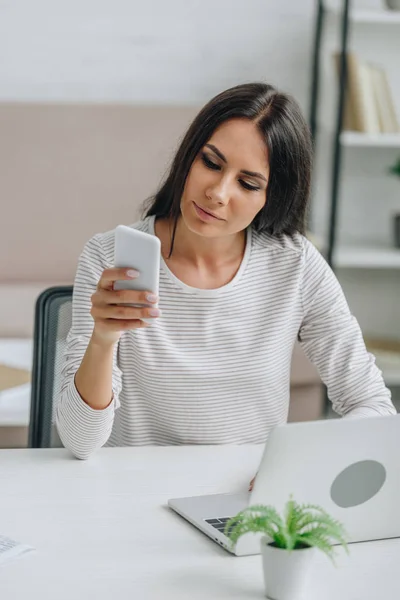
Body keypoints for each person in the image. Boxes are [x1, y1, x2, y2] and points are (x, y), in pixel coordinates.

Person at [56, 82, 396, 462]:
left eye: (248, 183)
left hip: (246, 503)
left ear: (272, 197)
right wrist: (103, 338)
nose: (218, 192)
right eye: (211, 163)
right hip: (131, 497)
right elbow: (79, 442)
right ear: (188, 157)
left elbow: (372, 406)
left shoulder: (295, 265)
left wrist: (299, 469)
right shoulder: (107, 255)